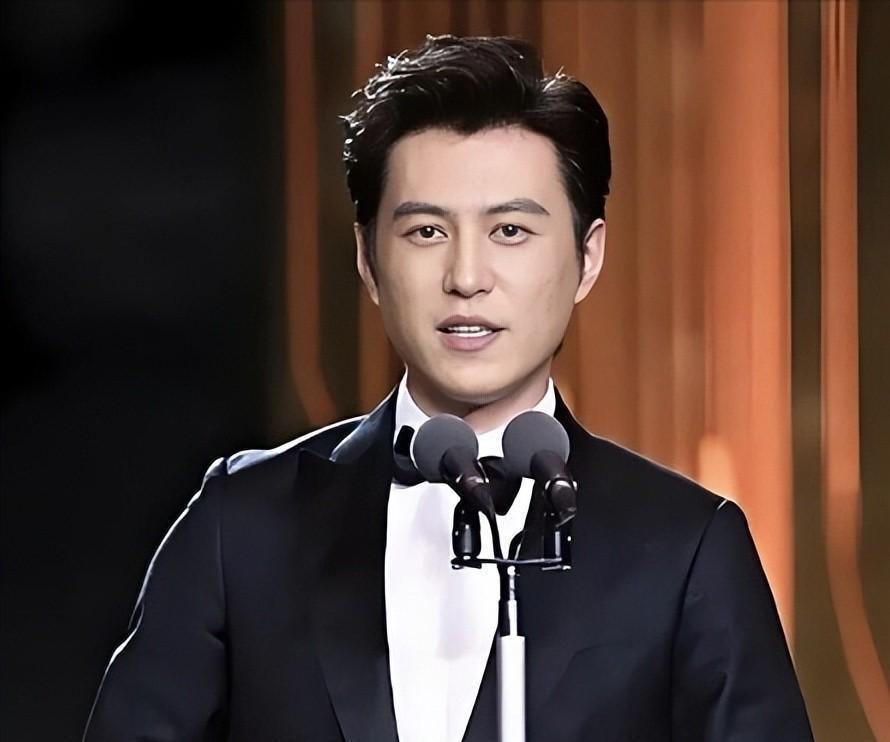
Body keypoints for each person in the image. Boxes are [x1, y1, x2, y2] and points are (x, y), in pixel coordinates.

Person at [83, 34, 813, 741]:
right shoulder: (242, 526)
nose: (466, 277)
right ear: (368, 259)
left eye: (510, 231)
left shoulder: (687, 547)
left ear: (588, 257)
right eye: (427, 232)